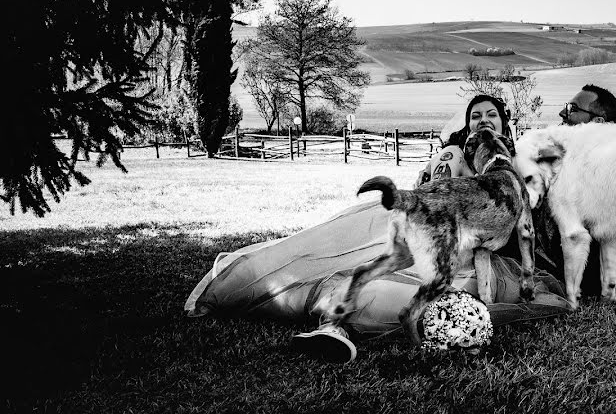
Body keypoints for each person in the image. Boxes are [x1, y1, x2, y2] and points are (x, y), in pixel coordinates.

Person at [184, 94, 570, 364]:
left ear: (504, 126)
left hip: (473, 265)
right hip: (430, 247)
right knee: (364, 278)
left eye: (491, 115)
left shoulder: (513, 173)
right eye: (475, 116)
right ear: (466, 130)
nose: (482, 120)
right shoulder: (450, 160)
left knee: (411, 293)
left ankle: (340, 324)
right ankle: (335, 326)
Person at [531, 84, 616, 297]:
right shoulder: (555, 153)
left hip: (592, 275)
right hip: (548, 271)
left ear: (598, 122)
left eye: (573, 109)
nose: (563, 113)